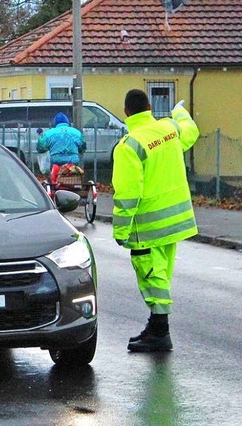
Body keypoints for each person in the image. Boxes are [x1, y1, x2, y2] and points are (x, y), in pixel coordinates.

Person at [112, 89, 199, 352]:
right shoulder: (170, 129)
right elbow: (190, 129)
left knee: (152, 277)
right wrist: (179, 110)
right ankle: (156, 326)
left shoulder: (130, 145)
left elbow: (128, 194)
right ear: (150, 106)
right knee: (162, 274)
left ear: (126, 112)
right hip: (176, 221)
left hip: (147, 228)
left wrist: (121, 231)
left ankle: (160, 332)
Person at [36, 112, 86, 183]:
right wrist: (80, 151)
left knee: (53, 181)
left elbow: (41, 147)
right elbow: (83, 147)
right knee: (73, 179)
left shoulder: (49, 133)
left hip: (56, 162)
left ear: (55, 123)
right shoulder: (76, 133)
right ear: (67, 122)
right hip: (72, 162)